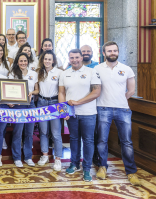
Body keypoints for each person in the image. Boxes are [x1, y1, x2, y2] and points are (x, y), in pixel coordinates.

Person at [95, 41, 140, 186]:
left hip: (123, 109)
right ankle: (102, 167)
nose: (112, 53)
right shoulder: (97, 69)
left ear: (118, 52)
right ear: (104, 53)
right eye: (109, 51)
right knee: (102, 140)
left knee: (126, 142)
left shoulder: (126, 69)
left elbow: (131, 90)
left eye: (115, 50)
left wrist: (120, 100)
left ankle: (131, 172)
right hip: (103, 108)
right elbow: (95, 89)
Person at [58, 49, 101, 182]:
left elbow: (96, 92)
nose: (74, 60)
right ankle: (74, 164)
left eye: (77, 57)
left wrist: (78, 102)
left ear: (82, 57)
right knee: (74, 139)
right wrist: (63, 110)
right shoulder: (64, 74)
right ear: (69, 59)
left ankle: (87, 168)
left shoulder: (91, 72)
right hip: (71, 114)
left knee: (88, 140)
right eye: (71, 58)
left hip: (88, 113)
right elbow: (61, 93)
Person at [8, 53, 39, 168]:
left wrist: (32, 93)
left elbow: (37, 90)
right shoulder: (13, 74)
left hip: (30, 105)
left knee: (29, 132)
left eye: (25, 61)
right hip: (18, 106)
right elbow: (9, 90)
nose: (23, 63)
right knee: (17, 132)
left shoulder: (33, 74)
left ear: (28, 62)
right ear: (17, 62)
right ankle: (16, 157)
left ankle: (28, 157)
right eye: (21, 61)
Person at [36, 50, 63, 171]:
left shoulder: (59, 72)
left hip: (54, 103)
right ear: (42, 60)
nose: (47, 61)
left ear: (53, 61)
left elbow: (62, 91)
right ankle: (45, 155)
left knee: (56, 132)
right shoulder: (38, 72)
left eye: (49, 59)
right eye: (45, 59)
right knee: (43, 131)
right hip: (41, 103)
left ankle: (58, 158)